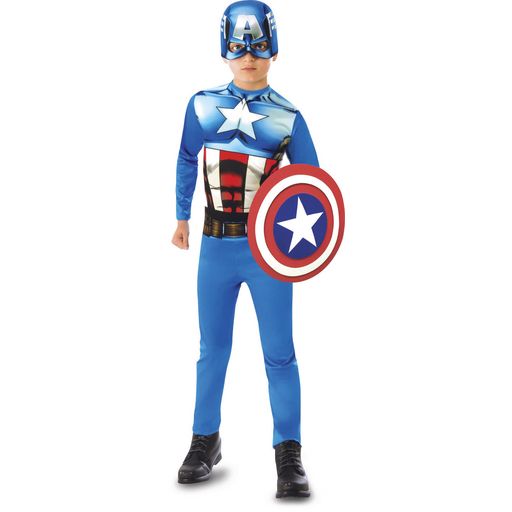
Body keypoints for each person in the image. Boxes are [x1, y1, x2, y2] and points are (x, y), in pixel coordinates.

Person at [172, 1, 318, 498]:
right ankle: (204, 439)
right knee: (212, 350)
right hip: (215, 244)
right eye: (238, 47)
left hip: (267, 251)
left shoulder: (288, 116)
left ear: (274, 50)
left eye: (257, 48)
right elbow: (187, 156)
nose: (249, 57)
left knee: (279, 353)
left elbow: (312, 186)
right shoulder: (201, 106)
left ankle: (288, 451)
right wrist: (181, 217)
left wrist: (306, 246)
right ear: (225, 50)